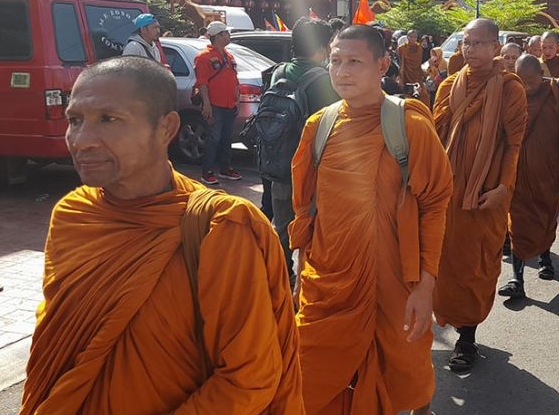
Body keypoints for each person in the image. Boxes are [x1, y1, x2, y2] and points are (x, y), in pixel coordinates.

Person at [19, 56, 305, 415]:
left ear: (167, 128)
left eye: (109, 120)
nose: (82, 140)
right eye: (75, 120)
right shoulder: (74, 213)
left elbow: (249, 377)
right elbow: (60, 340)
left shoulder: (219, 227)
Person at [290, 25, 453, 415]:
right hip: (329, 278)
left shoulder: (409, 125)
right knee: (309, 370)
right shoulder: (320, 126)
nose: (342, 71)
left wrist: (426, 284)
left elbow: (434, 203)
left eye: (354, 62)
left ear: (382, 65)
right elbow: (304, 206)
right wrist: (300, 262)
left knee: (404, 364)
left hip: (396, 276)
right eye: (335, 61)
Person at [432, 18, 528, 372]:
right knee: (442, 262)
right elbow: (435, 137)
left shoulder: (509, 89)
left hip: (484, 195)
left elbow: (514, 144)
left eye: (477, 43)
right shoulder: (448, 87)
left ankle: (467, 338)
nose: (469, 50)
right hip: (447, 193)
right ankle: (452, 321)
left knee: (475, 266)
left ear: (494, 47)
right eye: (465, 44)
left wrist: (503, 188)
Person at [266, 17, 339, 289]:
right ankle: (310, 286)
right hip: (315, 170)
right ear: (321, 47)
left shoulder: (280, 72)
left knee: (283, 226)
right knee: (316, 228)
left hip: (279, 162)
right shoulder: (326, 80)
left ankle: (282, 280)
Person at [498, 55, 559, 298]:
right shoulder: (512, 94)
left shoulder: (553, 93)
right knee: (518, 224)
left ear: (540, 75)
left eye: (530, 82)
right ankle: (517, 279)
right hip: (518, 174)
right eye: (521, 82)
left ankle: (546, 259)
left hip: (549, 173)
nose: (526, 88)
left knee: (546, 219)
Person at [194, 21, 242, 185]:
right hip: (214, 104)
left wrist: (237, 95)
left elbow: (234, 78)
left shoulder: (229, 56)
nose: (229, 36)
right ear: (219, 36)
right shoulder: (203, 57)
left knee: (226, 138)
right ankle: (207, 171)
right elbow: (202, 83)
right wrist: (206, 104)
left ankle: (225, 168)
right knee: (213, 138)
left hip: (229, 104)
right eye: (226, 33)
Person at [398, 30, 430, 106]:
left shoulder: (419, 48)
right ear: (407, 37)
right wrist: (400, 77)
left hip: (416, 75)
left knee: (423, 96)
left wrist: (423, 74)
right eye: (411, 37)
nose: (413, 39)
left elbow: (419, 63)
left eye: (415, 37)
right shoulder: (401, 48)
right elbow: (401, 63)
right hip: (406, 75)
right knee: (406, 96)